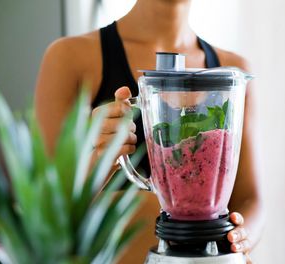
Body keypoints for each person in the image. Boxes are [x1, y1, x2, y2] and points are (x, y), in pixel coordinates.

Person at [35, 0, 263, 263]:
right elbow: (44, 216)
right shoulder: (70, 58)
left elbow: (251, 199)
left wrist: (242, 237)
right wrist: (98, 159)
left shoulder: (233, 69)